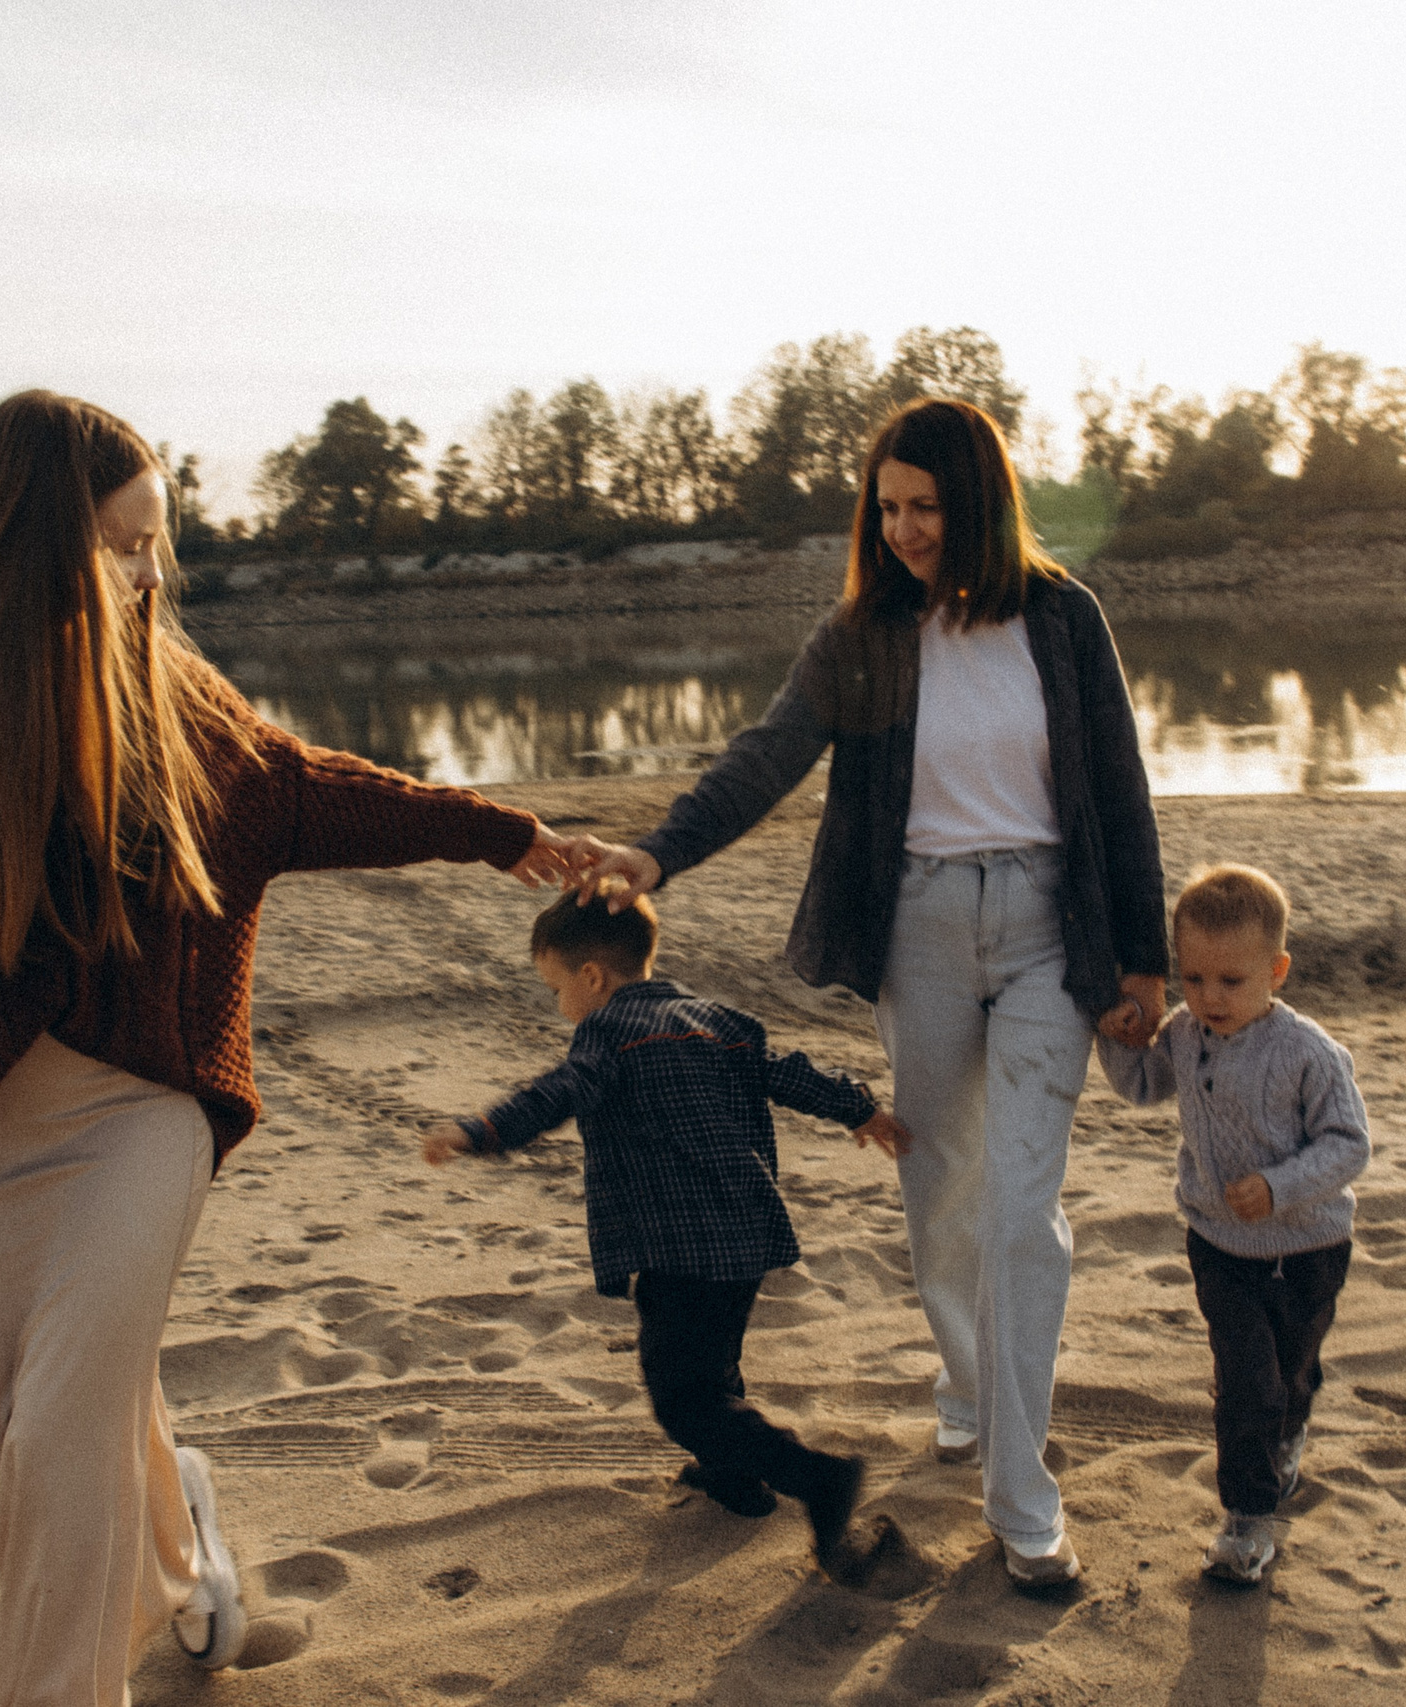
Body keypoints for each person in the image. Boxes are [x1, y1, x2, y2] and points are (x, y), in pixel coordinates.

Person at [0, 389, 577, 1707]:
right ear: (32, 542)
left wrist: (494, 828)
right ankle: (185, 1558)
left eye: (158, 543)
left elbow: (304, 791)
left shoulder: (168, 699)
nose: (152, 574)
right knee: (14, 1449)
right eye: (126, 543)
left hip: (142, 1111)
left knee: (57, 1439)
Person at [569, 398, 1169, 1587]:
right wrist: (658, 852)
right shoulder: (864, 635)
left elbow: (1119, 786)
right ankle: (963, 1377)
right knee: (941, 1189)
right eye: (886, 507)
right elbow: (768, 752)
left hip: (1053, 925)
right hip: (925, 929)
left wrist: (1139, 958)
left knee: (1018, 1209)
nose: (902, 528)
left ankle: (1020, 1495)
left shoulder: (1062, 620)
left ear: (980, 501)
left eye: (925, 505)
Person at [421, 891, 912, 1580]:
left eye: (557, 988)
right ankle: (737, 1479)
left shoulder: (605, 1034)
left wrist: (480, 1129)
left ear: (593, 976)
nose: (560, 1005)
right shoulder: (721, 1019)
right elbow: (788, 1074)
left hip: (674, 1241)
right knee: (714, 1365)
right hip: (743, 1232)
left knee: (683, 1397)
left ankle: (818, 1478)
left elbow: (560, 1091)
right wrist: (859, 1107)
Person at [1094, 864, 1370, 1584]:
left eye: (1232, 982)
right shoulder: (1186, 1036)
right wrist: (1116, 1035)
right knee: (1247, 1381)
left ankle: (1289, 1431)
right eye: (1193, 979)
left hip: (1310, 1247)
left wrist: (1279, 1187)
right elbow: (1142, 1085)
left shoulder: (1309, 1051)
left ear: (1275, 971)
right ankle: (1247, 1519)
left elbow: (1349, 1145)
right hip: (1218, 1244)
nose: (1209, 998)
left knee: (1292, 1374)